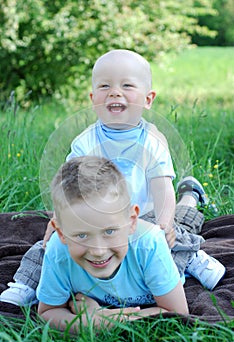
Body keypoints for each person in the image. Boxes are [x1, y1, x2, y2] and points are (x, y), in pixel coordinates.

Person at [0, 49, 225, 306]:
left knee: (173, 234)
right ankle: (25, 283)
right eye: (105, 86)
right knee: (48, 245)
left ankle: (192, 254)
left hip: (144, 216)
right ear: (93, 97)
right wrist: (59, 220)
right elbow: (70, 188)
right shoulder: (85, 141)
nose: (115, 92)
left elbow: (162, 188)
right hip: (97, 217)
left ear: (148, 99)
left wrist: (164, 225)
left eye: (127, 85)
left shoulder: (150, 142)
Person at [37, 156, 189, 333]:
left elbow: (177, 312)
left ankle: (190, 196)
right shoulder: (58, 250)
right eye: (82, 235)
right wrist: (94, 322)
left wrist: (101, 318)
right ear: (61, 233)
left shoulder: (150, 245)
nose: (98, 251)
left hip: (169, 254)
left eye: (109, 231)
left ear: (132, 221)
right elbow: (48, 312)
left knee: (185, 225)